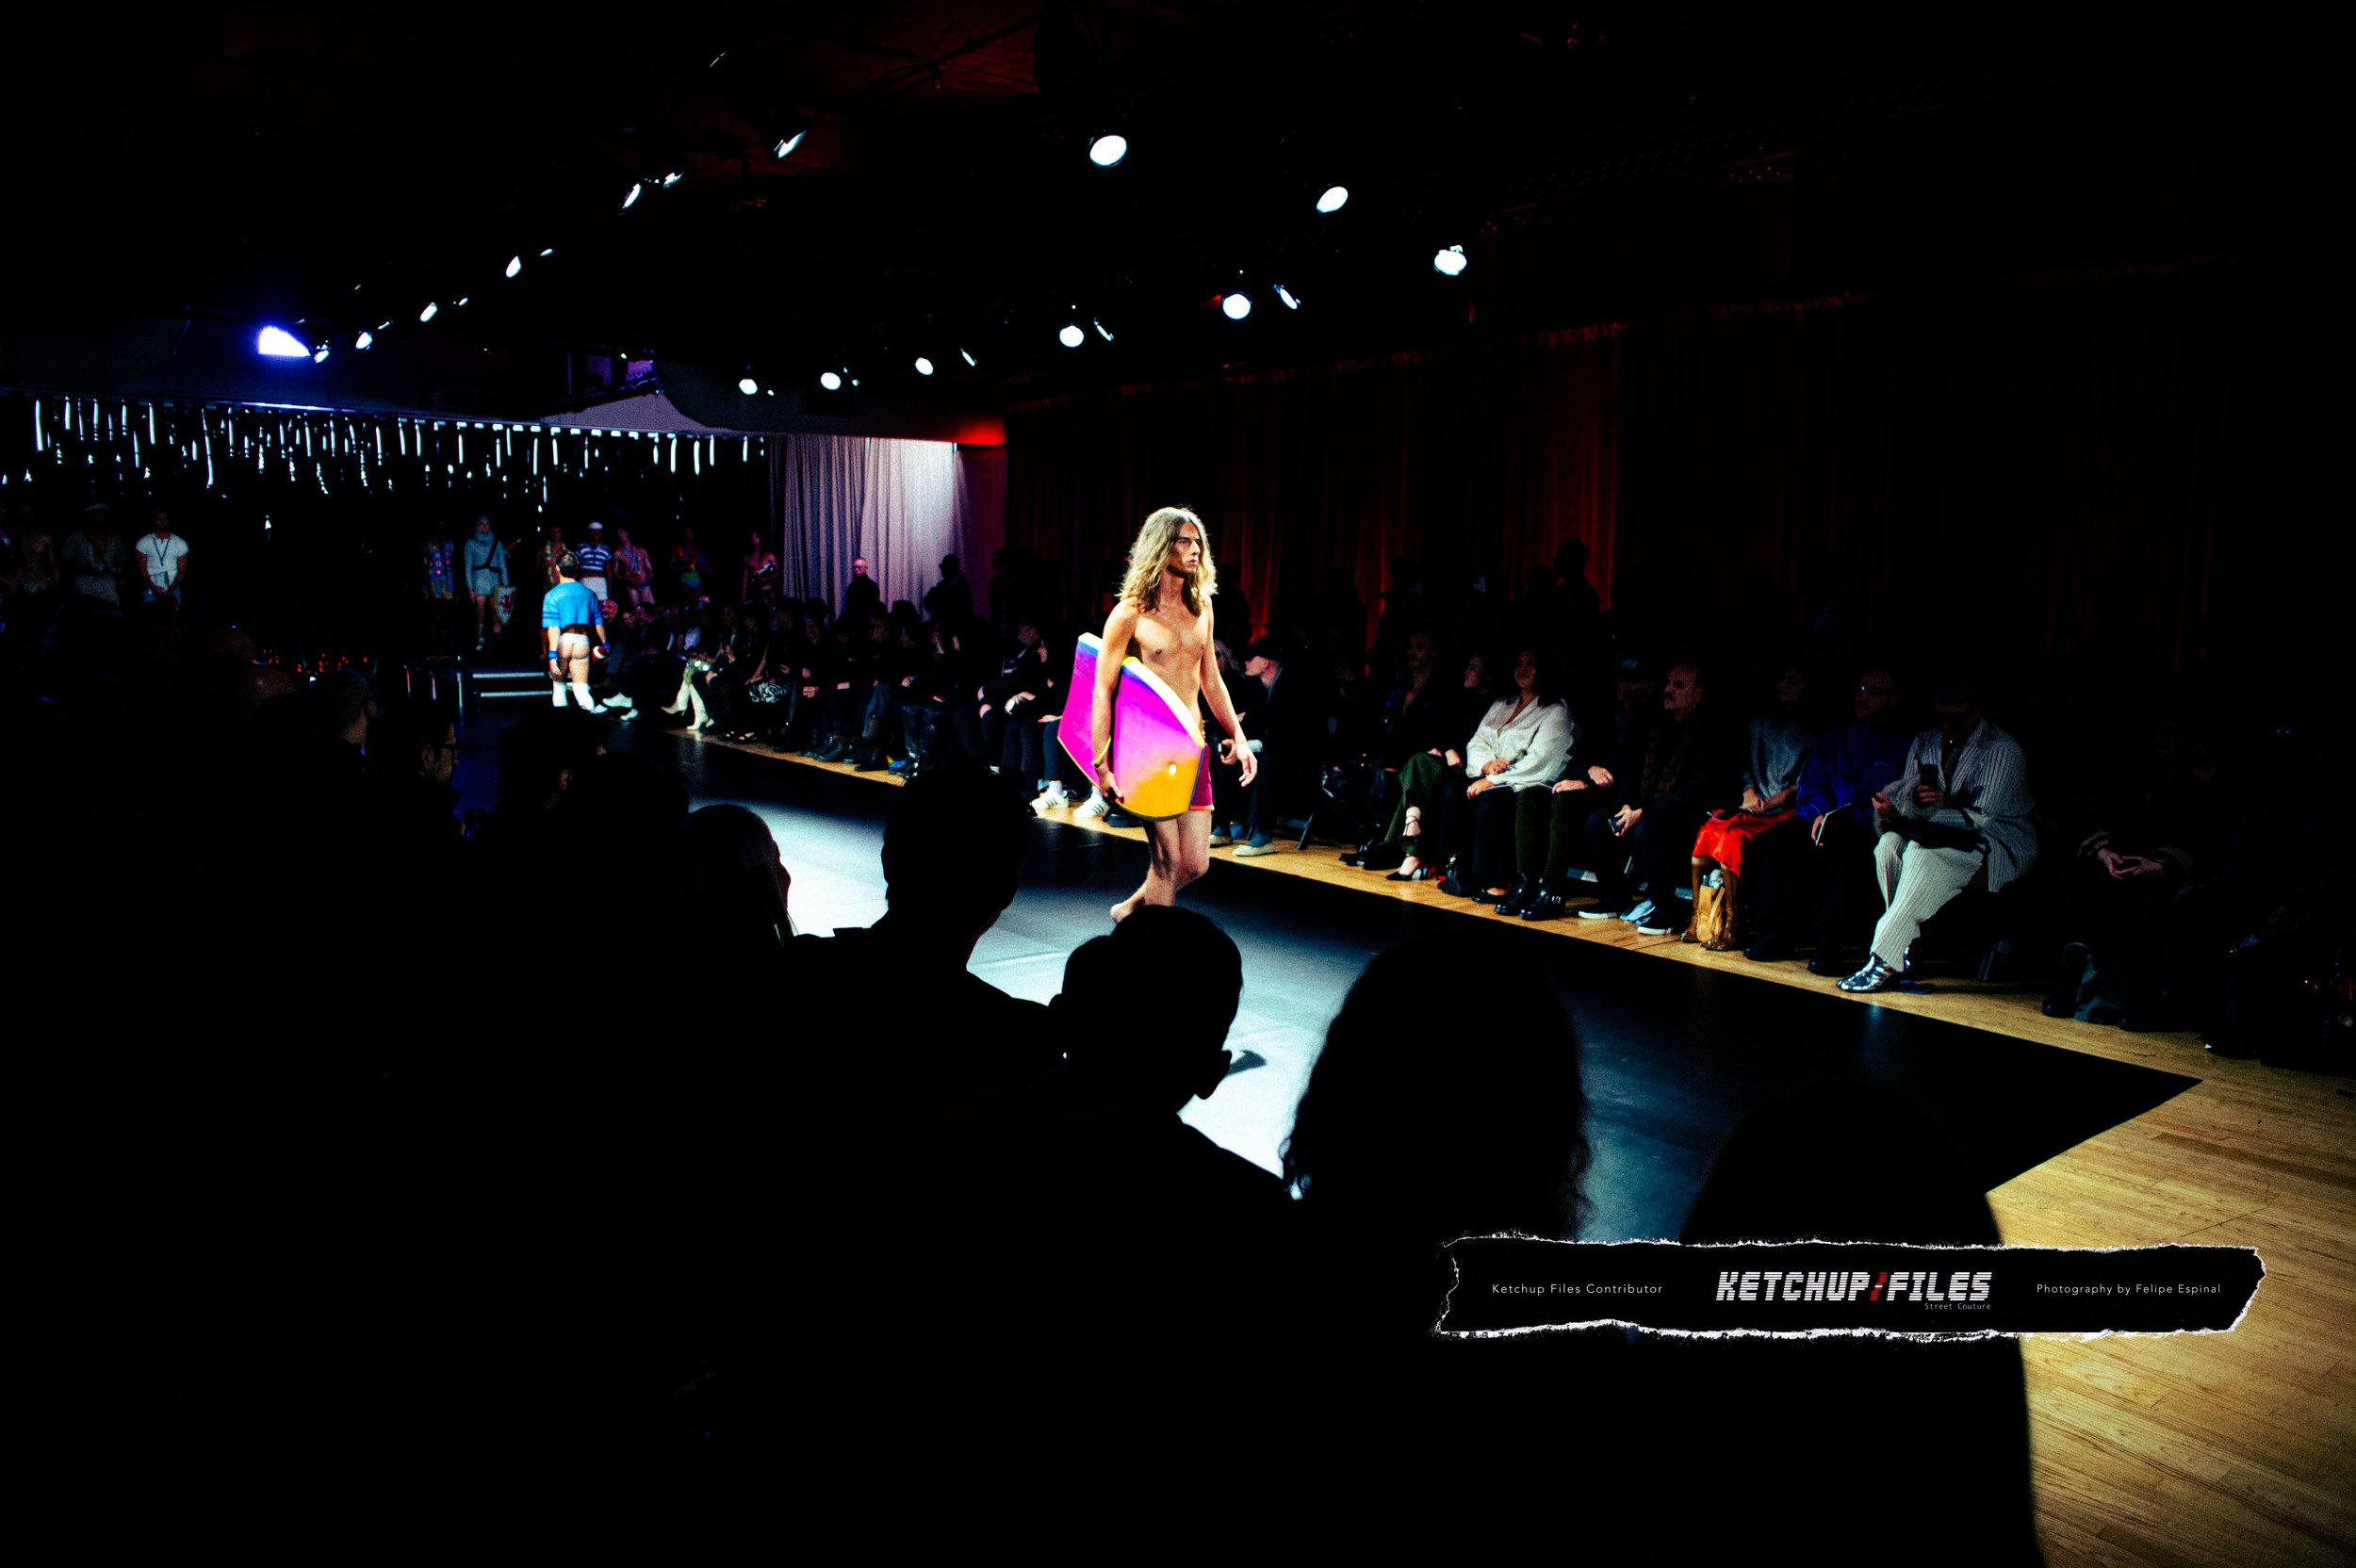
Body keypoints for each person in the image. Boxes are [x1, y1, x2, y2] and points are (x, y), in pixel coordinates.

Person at [1094, 506, 1256, 923]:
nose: (1195, 550)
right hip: (1149, 749)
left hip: (1193, 746)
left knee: (1195, 864)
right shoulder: (1131, 612)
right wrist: (1101, 763)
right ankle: (1155, 954)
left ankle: (1130, 910)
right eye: (1184, 541)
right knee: (1167, 862)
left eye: (1197, 542)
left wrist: (1238, 736)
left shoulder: (1202, 606)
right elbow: (1102, 688)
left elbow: (1212, 680)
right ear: (1161, 547)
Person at [1840, 675, 2037, 993]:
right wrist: (1902, 805)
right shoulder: (1925, 741)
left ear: (1979, 709)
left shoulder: (2002, 750)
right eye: (1940, 717)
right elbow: (1908, 791)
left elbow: (1980, 819)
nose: (1946, 726)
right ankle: (1904, 947)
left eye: (1956, 717)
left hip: (1997, 839)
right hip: (1933, 830)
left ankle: (1882, 960)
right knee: (1889, 844)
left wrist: (1919, 815)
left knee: (1918, 851)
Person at [542, 552, 609, 711]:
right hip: (582, 642)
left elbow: (553, 628)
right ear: (577, 569)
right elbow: (599, 623)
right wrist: (606, 645)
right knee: (581, 690)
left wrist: (552, 655)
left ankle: (562, 730)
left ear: (557, 568)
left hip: (563, 642)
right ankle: (590, 729)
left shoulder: (552, 596)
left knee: (559, 688)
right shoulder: (589, 594)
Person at [61, 503, 128, 606]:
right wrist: (86, 568)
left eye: (102, 515)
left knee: (111, 611)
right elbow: (65, 560)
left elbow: (122, 560)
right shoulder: (76, 537)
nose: (99, 518)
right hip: (83, 583)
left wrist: (122, 579)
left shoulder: (114, 538)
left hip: (108, 583)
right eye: (96, 515)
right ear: (88, 516)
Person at [463, 515, 509, 651]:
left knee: (497, 614)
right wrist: (470, 587)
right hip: (479, 582)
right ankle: (480, 638)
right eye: (482, 524)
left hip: (495, 582)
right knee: (480, 614)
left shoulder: (497, 543)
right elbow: (468, 566)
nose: (485, 527)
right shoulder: (470, 544)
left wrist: (506, 587)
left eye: (487, 524)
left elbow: (503, 566)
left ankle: (497, 643)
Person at [132, 508, 191, 607]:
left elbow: (182, 571)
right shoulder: (144, 542)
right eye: (158, 518)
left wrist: (171, 588)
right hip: (150, 589)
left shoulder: (180, 543)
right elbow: (142, 569)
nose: (162, 521)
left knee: (174, 619)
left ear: (169, 520)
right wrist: (152, 587)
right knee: (151, 619)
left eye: (165, 518)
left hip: (173, 589)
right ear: (154, 520)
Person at [610, 525, 654, 610]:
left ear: (627, 533)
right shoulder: (617, 553)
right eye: (618, 534)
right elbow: (615, 572)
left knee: (650, 609)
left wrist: (646, 579)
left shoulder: (642, 550)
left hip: (644, 583)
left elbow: (650, 569)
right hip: (631, 585)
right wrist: (627, 579)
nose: (620, 535)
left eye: (622, 532)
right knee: (637, 610)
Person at [574, 521, 613, 606]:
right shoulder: (581, 547)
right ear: (589, 532)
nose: (596, 533)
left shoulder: (606, 549)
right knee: (585, 607)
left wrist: (609, 592)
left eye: (598, 531)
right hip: (585, 581)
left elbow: (608, 571)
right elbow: (576, 568)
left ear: (601, 533)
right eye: (593, 531)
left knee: (601, 608)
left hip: (600, 582)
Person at [741, 530, 779, 608]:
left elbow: (777, 573)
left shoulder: (769, 556)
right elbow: (745, 578)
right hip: (754, 593)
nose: (754, 539)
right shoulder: (747, 559)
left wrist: (765, 580)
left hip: (767, 592)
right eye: (752, 537)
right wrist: (743, 596)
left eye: (756, 537)